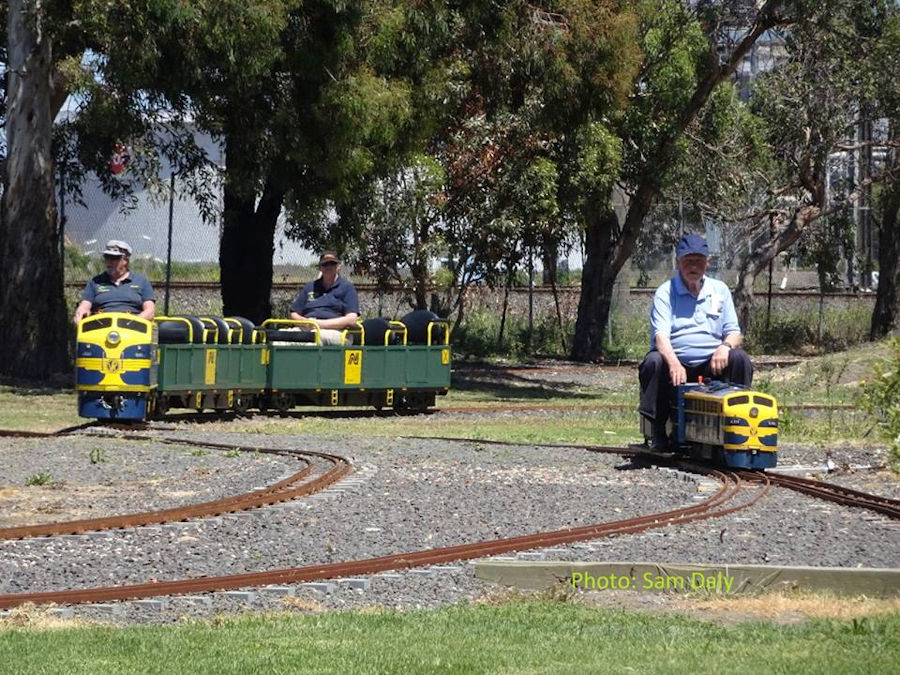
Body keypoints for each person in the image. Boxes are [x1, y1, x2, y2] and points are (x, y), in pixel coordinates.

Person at [638, 233, 753, 449]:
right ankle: (658, 431)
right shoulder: (666, 292)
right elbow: (660, 336)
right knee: (654, 361)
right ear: (678, 262)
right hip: (675, 364)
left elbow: (734, 333)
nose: (693, 266)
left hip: (711, 363)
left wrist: (725, 346)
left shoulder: (719, 291)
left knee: (739, 358)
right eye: (688, 261)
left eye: (698, 260)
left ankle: (738, 425)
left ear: (707, 262)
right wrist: (673, 363)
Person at [73, 240, 155, 324]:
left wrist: (131, 322)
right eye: (106, 257)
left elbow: (150, 311)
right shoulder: (95, 282)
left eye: (113, 258)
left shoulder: (141, 281)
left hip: (133, 329)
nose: (109, 261)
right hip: (101, 328)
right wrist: (80, 314)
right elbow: (85, 306)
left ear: (125, 260)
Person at [289, 251, 360, 345]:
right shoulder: (310, 287)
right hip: (307, 328)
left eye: (332, 263)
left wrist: (319, 324)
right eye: (325, 264)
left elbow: (351, 319)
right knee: (279, 338)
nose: (329, 267)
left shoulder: (347, 288)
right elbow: (294, 313)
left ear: (338, 266)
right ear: (320, 267)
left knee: (312, 339)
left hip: (338, 332)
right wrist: (305, 322)